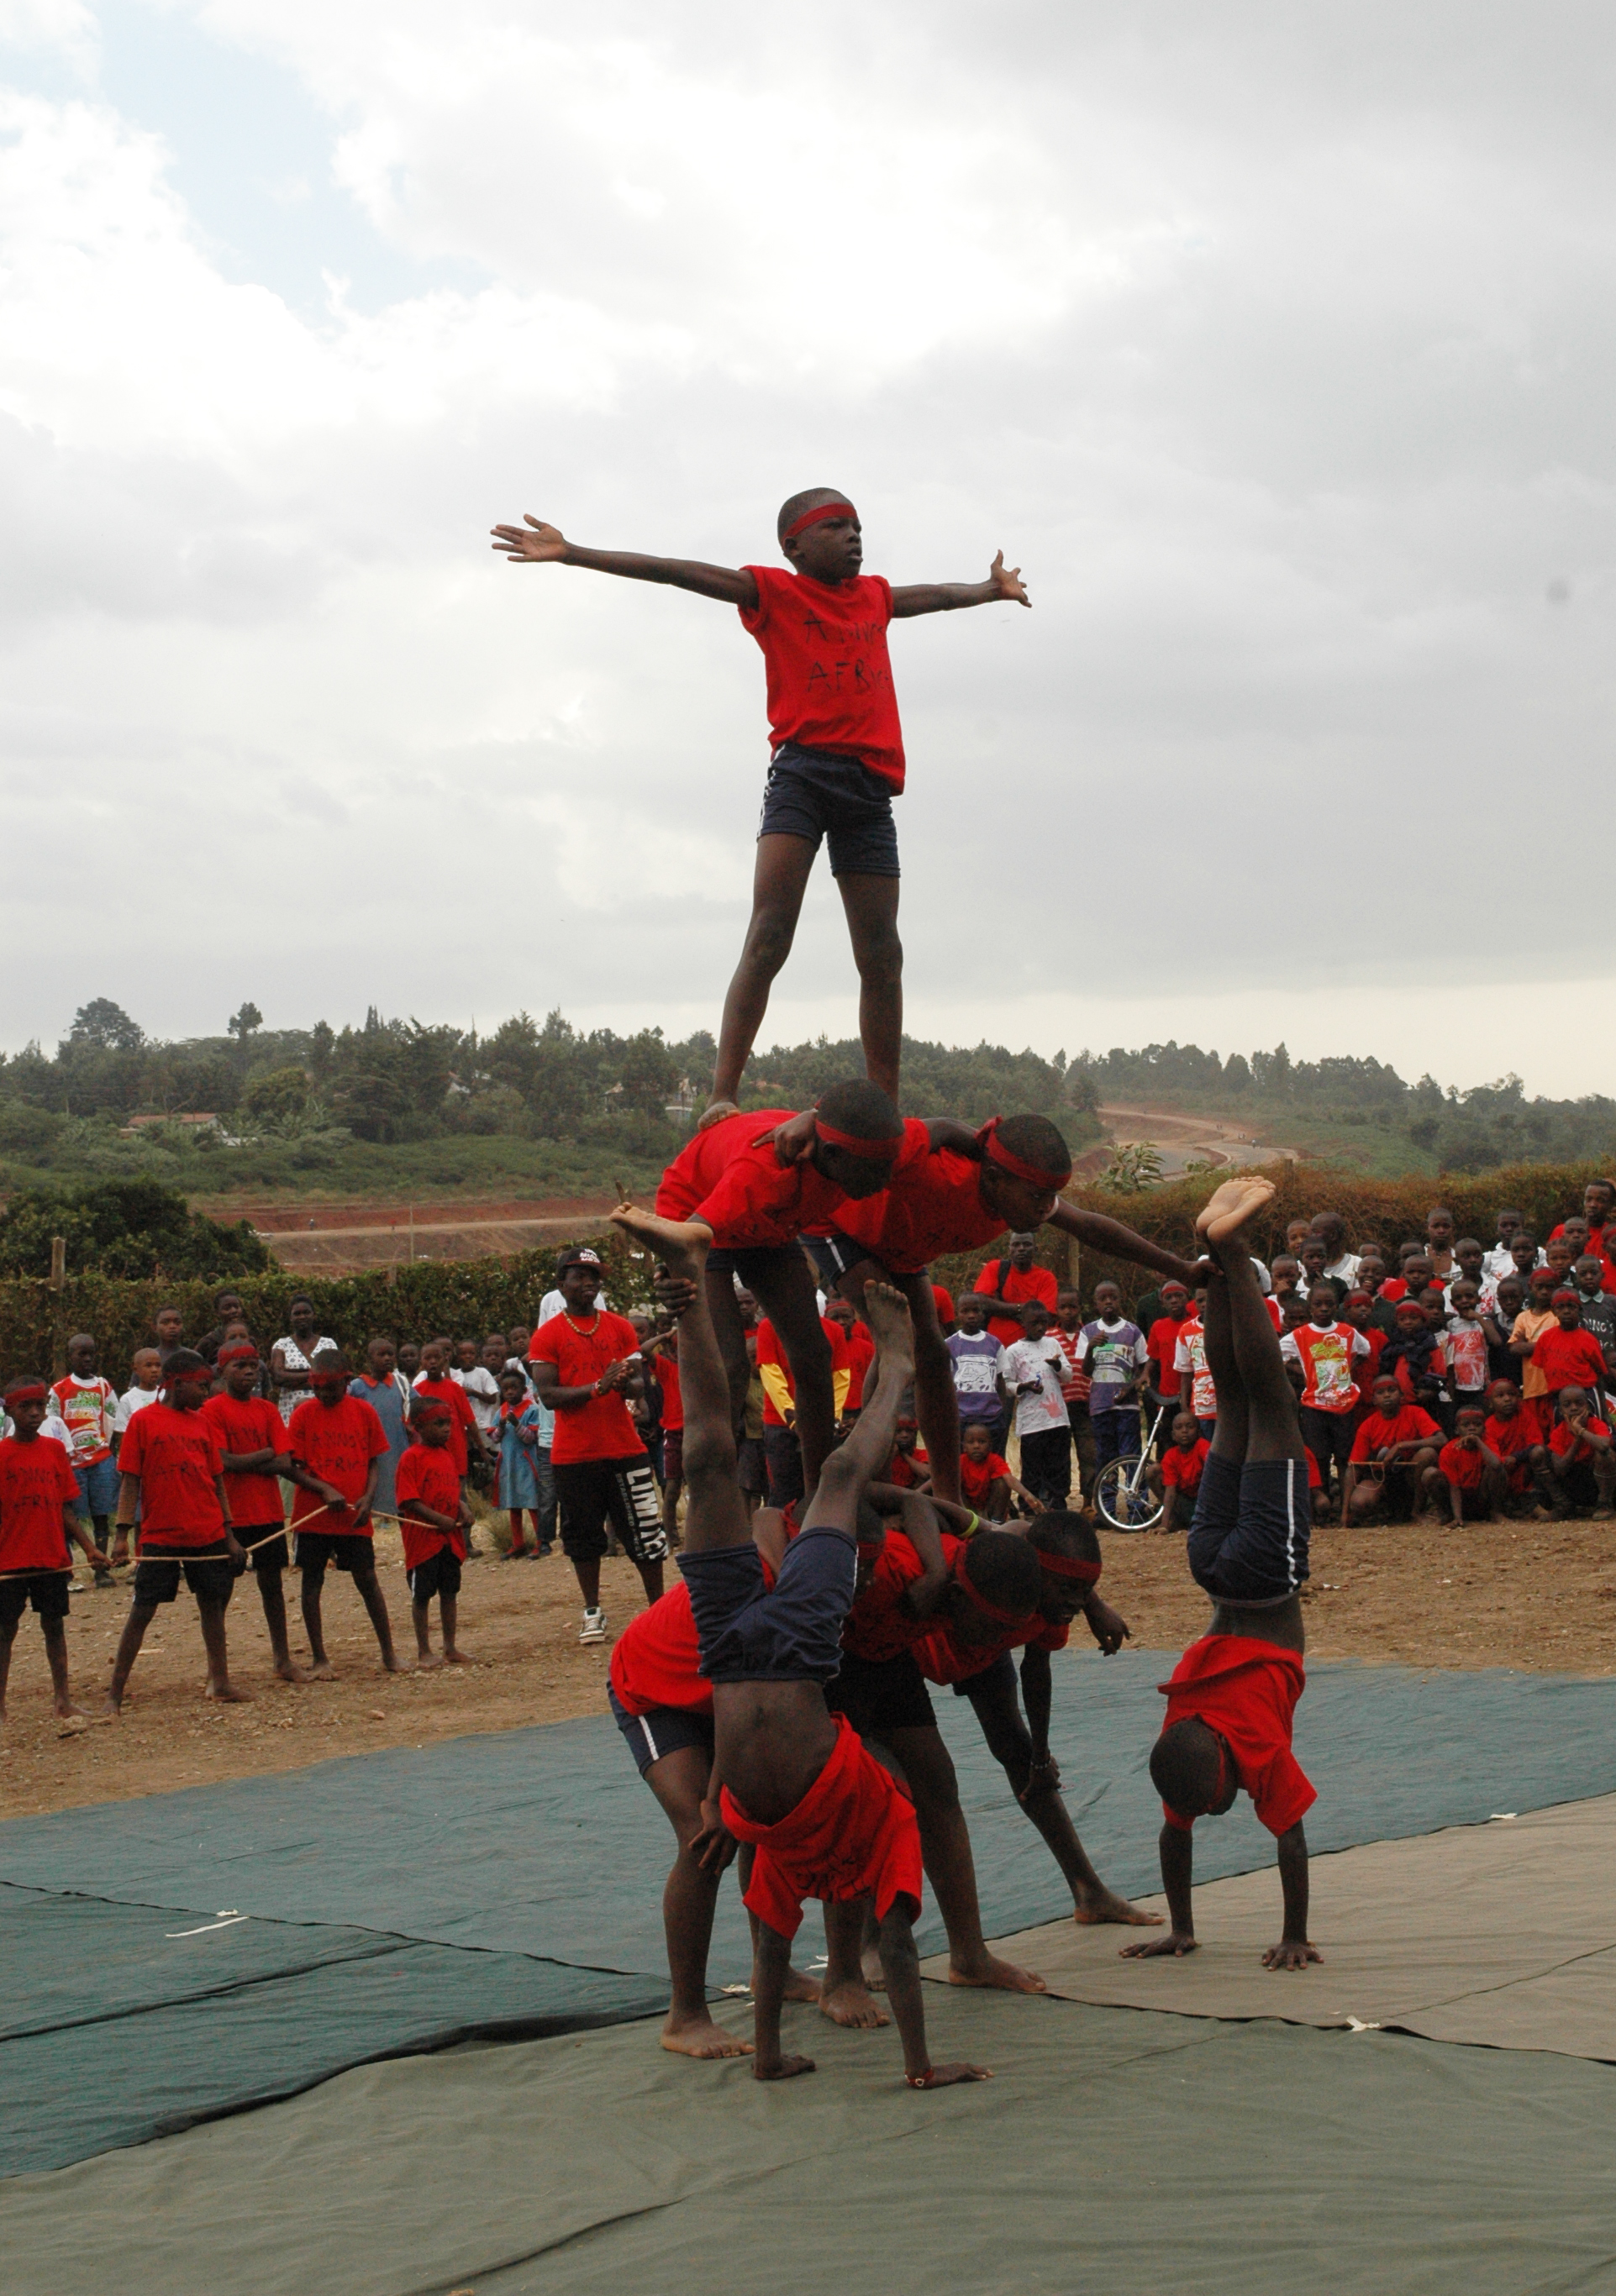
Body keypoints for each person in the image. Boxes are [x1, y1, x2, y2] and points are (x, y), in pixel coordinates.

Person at [608, 1195, 987, 2089]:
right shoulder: (877, 1825)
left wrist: (774, 2058)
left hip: (729, 1652)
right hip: (797, 1642)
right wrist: (920, 2067)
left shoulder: (770, 1847)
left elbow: (772, 1928)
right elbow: (894, 1931)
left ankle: (688, 1282)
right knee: (844, 1476)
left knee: (707, 1459)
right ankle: (895, 1360)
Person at [494, 493, 1029, 1114]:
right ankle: (723, 1095)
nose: (853, 536)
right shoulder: (771, 590)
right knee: (770, 931)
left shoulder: (875, 596)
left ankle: (884, 1100)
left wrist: (988, 590)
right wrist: (573, 554)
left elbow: (936, 595)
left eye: (857, 527)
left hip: (867, 789)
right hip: (802, 776)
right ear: (793, 547)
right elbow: (672, 568)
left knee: (882, 951)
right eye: (834, 527)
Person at [805, 1111, 1208, 1505]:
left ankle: (950, 1499)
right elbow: (888, 1131)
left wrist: (1181, 1268)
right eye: (1038, 1197)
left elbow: (1091, 1227)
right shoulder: (939, 1173)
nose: (1045, 1207)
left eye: (1051, 1196)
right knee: (903, 1340)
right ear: (994, 1176)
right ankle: (858, 1489)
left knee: (931, 1352)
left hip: (903, 1248)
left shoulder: (1017, 1192)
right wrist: (810, 1121)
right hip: (839, 1227)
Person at [1122, 1179, 1319, 1975]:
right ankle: (1215, 1251)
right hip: (1209, 1569)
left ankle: (1231, 1252)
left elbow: (1290, 1838)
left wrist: (1295, 1931)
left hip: (1266, 1574)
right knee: (1229, 1408)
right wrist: (1180, 1926)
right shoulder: (1181, 1733)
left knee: (1265, 1403)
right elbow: (1175, 1831)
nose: (1207, 1812)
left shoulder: (1249, 1750)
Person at [607, 1527, 831, 2055]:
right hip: (652, 1686)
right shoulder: (776, 1581)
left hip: (721, 1696)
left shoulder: (820, 1565)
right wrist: (712, 1800)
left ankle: (770, 1969)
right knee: (706, 1837)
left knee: (759, 1818)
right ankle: (684, 2015)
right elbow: (766, 1516)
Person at [655, 1085, 904, 1497]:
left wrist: (813, 1110)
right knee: (728, 1366)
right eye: (876, 1171)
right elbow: (688, 1239)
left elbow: (939, 1132)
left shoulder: (863, 1144)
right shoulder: (767, 1170)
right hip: (697, 1213)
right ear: (833, 1154)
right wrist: (669, 1276)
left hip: (765, 1224)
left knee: (813, 1353)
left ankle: (819, 1493)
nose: (885, 1180)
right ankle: (713, 1496)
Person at [529, 1245, 669, 1643]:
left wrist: (626, 1383)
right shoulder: (548, 1335)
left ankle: (658, 1610)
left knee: (644, 1531)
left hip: (626, 1449)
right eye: (579, 1276)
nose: (588, 1283)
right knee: (584, 1538)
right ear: (561, 1285)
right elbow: (549, 1396)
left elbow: (640, 1383)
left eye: (593, 1277)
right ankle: (593, 1612)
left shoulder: (620, 1327)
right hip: (575, 1455)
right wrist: (596, 1388)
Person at [106, 1352, 250, 1710]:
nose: (206, 1392)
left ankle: (220, 1682)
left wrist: (229, 1533)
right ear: (177, 1383)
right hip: (160, 1534)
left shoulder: (202, 1423)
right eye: (201, 1385)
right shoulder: (143, 1421)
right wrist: (122, 1536)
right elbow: (130, 1483)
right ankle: (115, 1694)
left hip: (207, 1530)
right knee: (142, 1610)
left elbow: (217, 1482)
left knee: (213, 1607)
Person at [287, 1349, 400, 1678]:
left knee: (367, 1579)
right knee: (312, 1582)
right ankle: (320, 1658)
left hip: (353, 1515)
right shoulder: (304, 1414)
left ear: (347, 1381)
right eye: (318, 1388)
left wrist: (368, 1498)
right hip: (314, 1515)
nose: (324, 1394)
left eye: (332, 1387)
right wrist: (323, 1489)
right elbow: (291, 1466)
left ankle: (389, 1654)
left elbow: (374, 1460)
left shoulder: (364, 1411)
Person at [0, 1377, 108, 1718]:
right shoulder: (1, 1455)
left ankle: (62, 1700)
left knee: (55, 1626)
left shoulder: (54, 1449)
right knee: (5, 1631)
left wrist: (89, 1549)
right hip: (10, 1558)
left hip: (50, 1555)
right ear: (9, 1410)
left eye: (39, 1406)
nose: (34, 1413)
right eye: (25, 1407)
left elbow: (65, 1509)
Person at [201, 1343, 307, 1684]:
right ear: (222, 1371)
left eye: (253, 1365)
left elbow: (285, 1462)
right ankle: (217, 1671)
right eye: (240, 1365)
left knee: (272, 1586)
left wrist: (247, 1460)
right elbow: (223, 1462)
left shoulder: (267, 1409)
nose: (248, 1371)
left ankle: (283, 1660)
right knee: (221, 1591)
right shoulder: (212, 1410)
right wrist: (265, 1452)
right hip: (230, 1514)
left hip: (267, 1511)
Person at [396, 1398, 473, 1665]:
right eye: (438, 1424)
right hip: (424, 1540)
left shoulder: (447, 1455)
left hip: (448, 1540)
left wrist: (463, 1509)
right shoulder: (411, 1458)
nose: (446, 1429)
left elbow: (452, 1492)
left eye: (448, 1424)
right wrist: (439, 1519)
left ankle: (450, 1647)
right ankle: (424, 1650)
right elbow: (409, 1500)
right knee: (422, 1595)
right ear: (418, 1426)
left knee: (450, 1591)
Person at [1279, 1281, 1370, 1502]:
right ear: (1310, 1307)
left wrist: (1348, 1368)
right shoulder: (1300, 1335)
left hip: (1343, 1406)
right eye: (1318, 1304)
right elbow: (1276, 1357)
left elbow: (1365, 1351)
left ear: (1337, 1306)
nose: (1324, 1309)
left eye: (1329, 1304)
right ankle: (1323, 1502)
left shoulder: (1347, 1332)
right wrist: (1305, 1373)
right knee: (1319, 1457)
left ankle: (1343, 1504)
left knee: (1343, 1456)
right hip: (1314, 1406)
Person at [52, 1334, 120, 1573]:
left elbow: (112, 1419)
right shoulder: (59, 1390)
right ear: (69, 1356)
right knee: (71, 1516)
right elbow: (53, 1425)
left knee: (101, 1513)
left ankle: (101, 1569)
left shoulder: (104, 1387)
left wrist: (108, 1451)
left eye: (92, 1353)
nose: (88, 1359)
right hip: (72, 1464)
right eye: (82, 1354)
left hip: (101, 1460)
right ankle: (67, 1568)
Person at [998, 1299, 1075, 1509]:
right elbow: (1006, 1384)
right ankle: (1030, 1505)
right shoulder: (1013, 1351)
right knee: (1032, 1466)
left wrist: (1058, 1365)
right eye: (1034, 1323)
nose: (1040, 1327)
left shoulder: (1052, 1344)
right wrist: (1023, 1387)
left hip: (1057, 1419)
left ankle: (1057, 1503)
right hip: (1032, 1421)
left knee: (1059, 1464)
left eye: (1044, 1322)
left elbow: (1068, 1376)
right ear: (1023, 1323)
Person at [1343, 1377, 1443, 1522]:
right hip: (1381, 1478)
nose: (1387, 1395)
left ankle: (1417, 1511)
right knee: (1360, 1502)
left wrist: (1401, 1446)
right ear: (1374, 1400)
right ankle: (1386, 1511)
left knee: (1427, 1453)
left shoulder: (1415, 1412)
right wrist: (1345, 1512)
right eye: (1381, 1392)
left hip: (1411, 1477)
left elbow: (1441, 1439)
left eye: (1392, 1390)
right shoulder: (1368, 1425)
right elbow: (1354, 1467)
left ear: (1402, 1395)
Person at [1077, 1281, 1149, 1474]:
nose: (1108, 1302)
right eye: (1103, 1298)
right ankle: (1107, 1501)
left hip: (1128, 1406)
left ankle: (1136, 1501)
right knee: (1105, 1454)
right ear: (1096, 1304)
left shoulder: (1132, 1331)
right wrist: (1091, 1347)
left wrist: (1132, 1386)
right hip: (1100, 1405)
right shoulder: (1088, 1332)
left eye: (1113, 1297)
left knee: (1130, 1453)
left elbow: (1145, 1366)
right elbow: (1085, 1371)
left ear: (1120, 1300)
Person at [109, 1347, 163, 1568]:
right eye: (148, 1366)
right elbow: (123, 1435)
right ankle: (141, 1560)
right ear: (136, 1369)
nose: (154, 1370)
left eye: (158, 1365)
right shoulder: (128, 1399)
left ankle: (163, 1557)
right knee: (140, 1515)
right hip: (138, 1466)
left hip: (162, 1464)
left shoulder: (166, 1395)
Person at [350, 1336, 412, 1521]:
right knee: (372, 1489)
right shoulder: (357, 1386)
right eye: (381, 1354)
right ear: (369, 1359)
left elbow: (417, 1406)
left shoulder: (401, 1383)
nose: (387, 1358)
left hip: (398, 1448)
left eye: (390, 1354)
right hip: (371, 1450)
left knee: (401, 1493)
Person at [963, 1234, 1058, 1349]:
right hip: (994, 1349)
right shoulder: (996, 1268)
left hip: (1033, 1352)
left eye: (1027, 1244)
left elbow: (1044, 1316)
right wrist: (1025, 1308)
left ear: (1035, 1249)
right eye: (1016, 1244)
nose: (1021, 1248)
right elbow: (980, 1303)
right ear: (1010, 1249)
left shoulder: (1046, 1278)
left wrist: (998, 1306)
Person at [497, 1368, 550, 1558]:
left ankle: (540, 1542)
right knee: (514, 1504)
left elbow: (530, 1438)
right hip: (509, 1465)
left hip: (527, 1465)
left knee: (533, 1503)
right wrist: (502, 1425)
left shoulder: (531, 1409)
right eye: (506, 1389)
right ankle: (517, 1543)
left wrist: (517, 1424)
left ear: (523, 1389)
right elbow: (495, 1437)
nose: (510, 1392)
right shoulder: (502, 1410)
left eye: (514, 1388)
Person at [1511, 1269, 1568, 1437]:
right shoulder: (1523, 1318)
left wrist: (1529, 1345)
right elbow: (1514, 1347)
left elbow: (1562, 1344)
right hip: (1532, 1387)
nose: (1544, 1292)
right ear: (1531, 1287)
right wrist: (1548, 1344)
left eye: (1549, 1287)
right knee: (1535, 1436)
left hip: (1555, 1388)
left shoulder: (1559, 1315)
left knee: (1557, 1433)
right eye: (1539, 1287)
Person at [1544, 1388, 1616, 1519]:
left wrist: (1581, 1431)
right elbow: (1560, 1469)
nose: (1573, 1408)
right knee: (1541, 1454)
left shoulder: (1596, 1424)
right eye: (1567, 1405)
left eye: (1579, 1403)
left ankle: (1604, 1504)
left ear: (1587, 1406)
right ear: (1561, 1410)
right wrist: (1577, 1440)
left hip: (1599, 1482)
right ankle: (1563, 1506)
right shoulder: (1559, 1432)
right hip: (1575, 1481)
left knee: (1605, 1454)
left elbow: (1604, 1445)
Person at [1429, 1406, 1508, 1525]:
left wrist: (1478, 1442)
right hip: (1460, 1500)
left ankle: (1495, 1512)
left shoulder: (1488, 1442)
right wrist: (1458, 1517)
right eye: (1466, 1425)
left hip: (1482, 1497)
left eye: (1477, 1425)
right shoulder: (1449, 1450)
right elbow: (1453, 1486)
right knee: (1430, 1474)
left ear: (1484, 1429)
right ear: (1457, 1430)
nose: (1472, 1428)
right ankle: (1449, 1514)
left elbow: (1496, 1465)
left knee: (1497, 1468)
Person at [945, 1296, 1004, 1449]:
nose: (971, 1315)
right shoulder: (949, 1345)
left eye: (975, 1311)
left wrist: (1002, 1412)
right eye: (965, 1311)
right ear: (957, 1314)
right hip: (961, 1418)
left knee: (993, 1463)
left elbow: (1001, 1381)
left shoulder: (995, 1344)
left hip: (991, 1418)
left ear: (982, 1314)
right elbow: (946, 1384)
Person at [271, 1297, 334, 1425]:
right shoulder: (281, 1345)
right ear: (290, 1318)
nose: (302, 1317)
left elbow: (332, 1377)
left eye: (306, 1312)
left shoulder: (328, 1344)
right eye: (297, 1314)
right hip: (289, 1412)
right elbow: (277, 1377)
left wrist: (290, 1377)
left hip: (323, 1408)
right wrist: (315, 1376)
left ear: (313, 1315)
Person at [957, 1420, 1034, 1521]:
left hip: (990, 1507)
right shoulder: (960, 1461)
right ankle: (968, 1519)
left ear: (990, 1446)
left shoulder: (994, 1460)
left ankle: (996, 1520)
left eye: (982, 1442)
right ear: (964, 1447)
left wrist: (1026, 1494)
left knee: (1003, 1482)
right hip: (968, 1508)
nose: (976, 1446)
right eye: (971, 1442)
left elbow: (1009, 1479)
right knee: (953, 1482)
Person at [1157, 1411, 1211, 1536]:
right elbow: (1170, 1490)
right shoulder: (1170, 1456)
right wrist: (1164, 1525)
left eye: (1190, 1427)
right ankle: (1174, 1520)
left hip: (1205, 1502)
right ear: (1173, 1435)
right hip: (1185, 1502)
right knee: (1153, 1471)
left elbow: (1215, 1477)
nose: (1184, 1431)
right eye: (1179, 1428)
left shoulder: (1203, 1446)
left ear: (1198, 1432)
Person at [1173, 1290, 1217, 1438]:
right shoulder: (1186, 1331)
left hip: (1229, 1408)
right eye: (1200, 1301)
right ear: (1195, 1304)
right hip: (1202, 1408)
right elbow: (1185, 1371)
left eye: (1208, 1299)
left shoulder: (1229, 1325)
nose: (1204, 1304)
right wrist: (1184, 1405)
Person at [1307, 1211, 1359, 1293]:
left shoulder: (1356, 1265)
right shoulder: (1302, 1267)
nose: (1311, 1237)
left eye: (1315, 1232)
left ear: (1333, 1235)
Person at [194, 1290, 247, 1366]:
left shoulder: (248, 1338)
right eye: (227, 1308)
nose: (234, 1311)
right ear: (217, 1312)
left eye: (236, 1307)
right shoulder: (208, 1343)